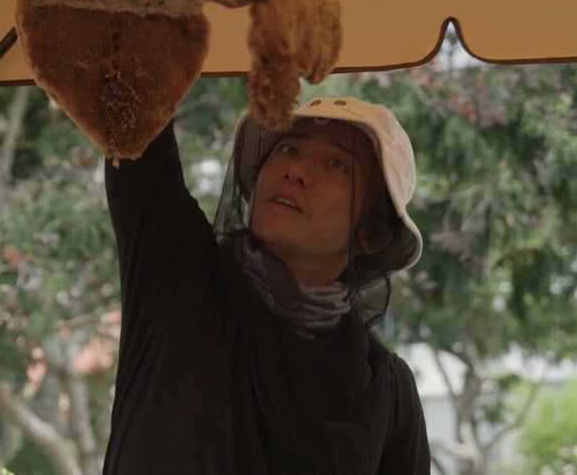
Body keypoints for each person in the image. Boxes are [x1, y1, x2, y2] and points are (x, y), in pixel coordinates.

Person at [102, 96, 431, 474]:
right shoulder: (178, 275)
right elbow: (132, 96)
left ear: (371, 236)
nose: (296, 170)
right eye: (289, 147)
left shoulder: (387, 391)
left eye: (336, 164)